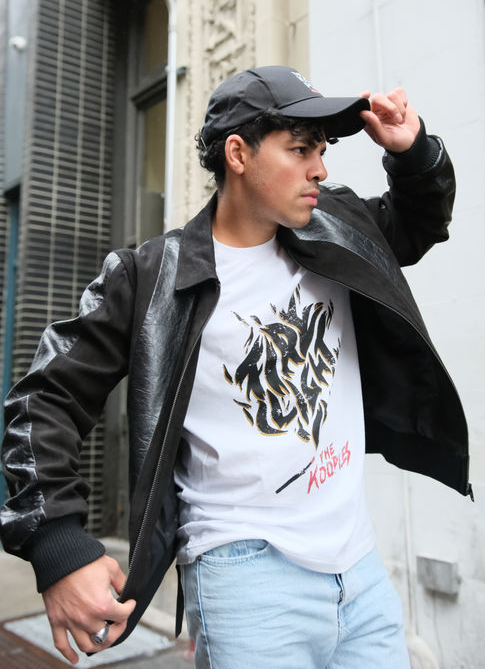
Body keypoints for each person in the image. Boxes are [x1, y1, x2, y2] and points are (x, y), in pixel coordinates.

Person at [0, 65, 471, 668]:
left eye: (321, 151)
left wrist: (412, 152)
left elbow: (420, 222)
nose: (320, 170)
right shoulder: (154, 277)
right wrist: (57, 542)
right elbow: (44, 399)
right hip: (246, 579)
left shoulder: (337, 226)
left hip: (359, 571)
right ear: (238, 154)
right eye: (300, 150)